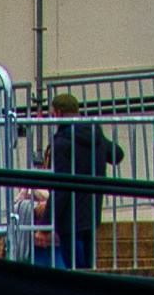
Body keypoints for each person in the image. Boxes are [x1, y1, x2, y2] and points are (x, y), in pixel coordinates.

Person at [39, 90, 123, 270]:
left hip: (70, 219)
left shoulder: (62, 143)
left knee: (75, 269)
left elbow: (61, 188)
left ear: (57, 113)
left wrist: (45, 224)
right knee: (88, 269)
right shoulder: (95, 133)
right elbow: (117, 154)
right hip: (92, 214)